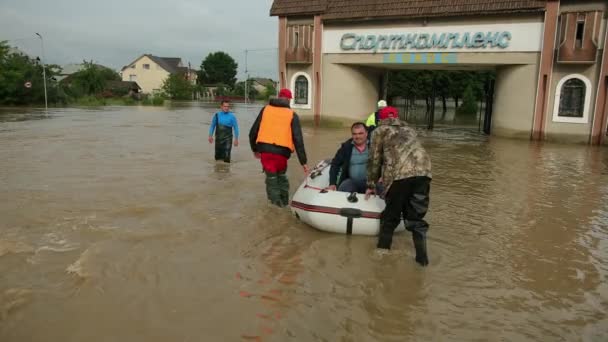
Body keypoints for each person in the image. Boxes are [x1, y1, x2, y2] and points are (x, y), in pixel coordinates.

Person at [365, 106, 432, 266]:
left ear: (380, 119)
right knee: (416, 219)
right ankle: (422, 261)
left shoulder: (379, 131)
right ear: (397, 117)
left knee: (390, 217)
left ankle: (382, 254)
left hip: (399, 175)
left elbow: (374, 159)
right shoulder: (410, 129)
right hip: (424, 173)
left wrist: (371, 183)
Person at [249, 88, 309, 207]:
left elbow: (252, 132)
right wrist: (304, 162)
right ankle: (285, 204)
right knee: (281, 177)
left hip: (265, 151)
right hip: (282, 153)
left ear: (279, 97)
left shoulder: (265, 110)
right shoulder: (292, 115)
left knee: (271, 179)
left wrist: (255, 149)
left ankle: (275, 208)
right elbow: (298, 140)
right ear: (288, 100)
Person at [326, 122, 382, 194]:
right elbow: (335, 164)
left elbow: (386, 162)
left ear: (366, 133)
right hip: (351, 182)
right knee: (344, 188)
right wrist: (332, 183)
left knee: (385, 191)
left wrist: (383, 176)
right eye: (354, 134)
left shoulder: (375, 146)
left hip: (373, 182)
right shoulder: (346, 147)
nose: (357, 136)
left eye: (360, 133)